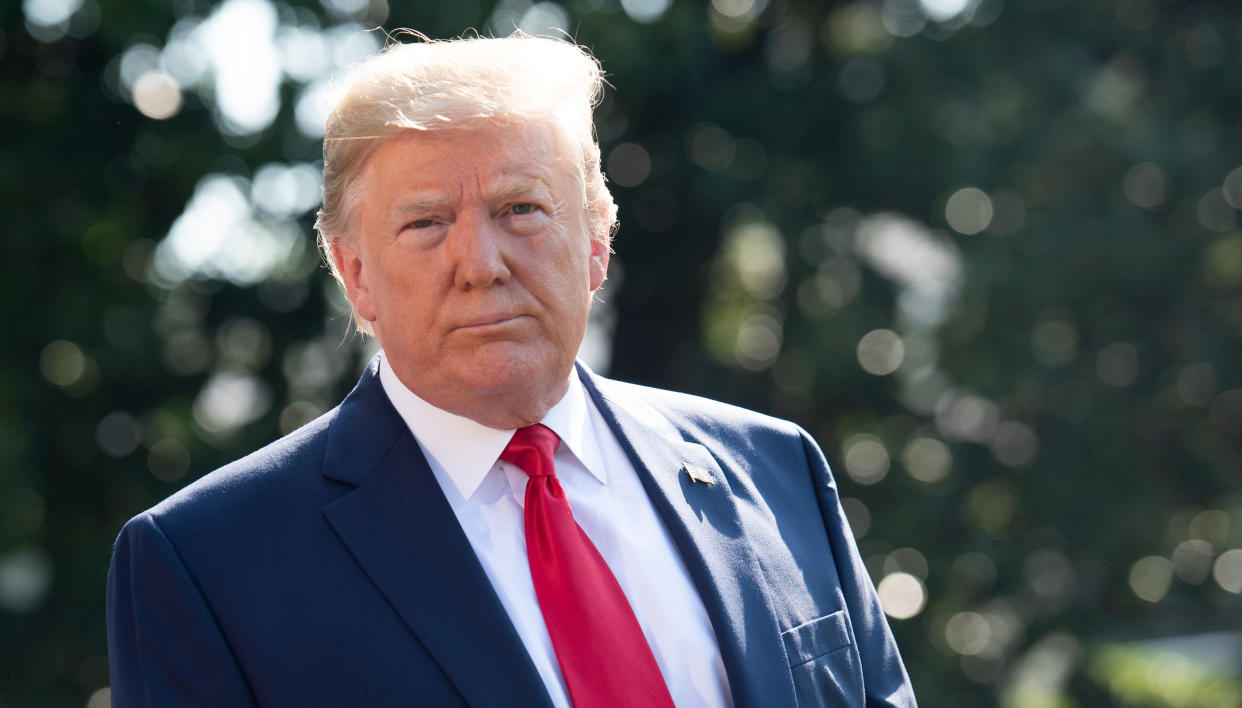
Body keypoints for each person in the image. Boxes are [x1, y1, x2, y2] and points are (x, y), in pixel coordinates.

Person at [106, 33, 916, 707]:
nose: (480, 263)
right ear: (356, 276)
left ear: (597, 239)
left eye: (521, 209)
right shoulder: (210, 566)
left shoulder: (775, 472)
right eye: (426, 222)